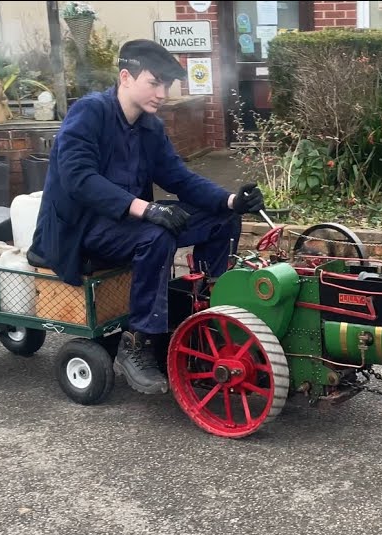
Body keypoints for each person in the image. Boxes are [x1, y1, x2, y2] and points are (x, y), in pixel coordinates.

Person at [29, 39, 264, 395]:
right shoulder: (89, 113)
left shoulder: (149, 127)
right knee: (156, 234)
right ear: (126, 77)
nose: (163, 93)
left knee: (220, 220)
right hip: (79, 230)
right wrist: (147, 209)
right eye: (155, 83)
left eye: (166, 85)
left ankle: (206, 318)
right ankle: (138, 342)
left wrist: (231, 200)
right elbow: (80, 180)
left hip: (124, 224)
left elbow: (179, 178)